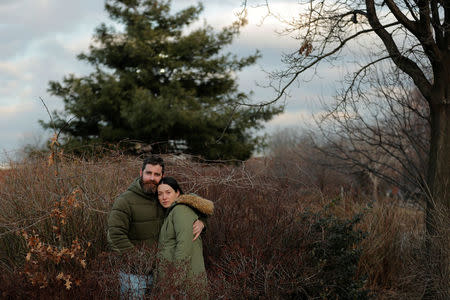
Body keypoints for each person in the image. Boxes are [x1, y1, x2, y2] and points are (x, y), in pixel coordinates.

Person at [107, 155, 205, 298]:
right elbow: (115, 236)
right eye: (148, 173)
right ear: (141, 173)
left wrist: (202, 221)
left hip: (161, 274)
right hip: (134, 276)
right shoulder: (125, 201)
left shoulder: (163, 196)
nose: (152, 178)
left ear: (162, 176)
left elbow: (191, 202)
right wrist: (141, 261)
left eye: (156, 174)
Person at [156, 177, 213, 298]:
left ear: (177, 193)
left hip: (185, 281)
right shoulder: (172, 211)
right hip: (177, 277)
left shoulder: (180, 210)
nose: (164, 197)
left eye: (168, 192)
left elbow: (184, 246)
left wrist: (174, 281)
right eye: (160, 194)